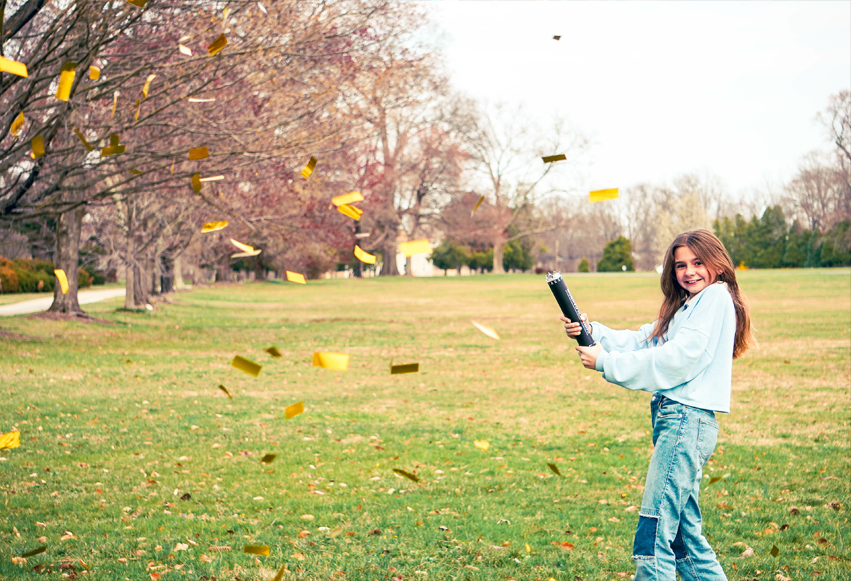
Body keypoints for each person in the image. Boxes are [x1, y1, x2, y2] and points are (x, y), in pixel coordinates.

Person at [561, 229, 753, 581]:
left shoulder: (714, 297)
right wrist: (593, 331)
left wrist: (606, 363)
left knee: (653, 534)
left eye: (698, 262)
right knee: (683, 538)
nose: (689, 271)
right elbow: (647, 340)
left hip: (685, 421)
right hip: (679, 422)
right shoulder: (689, 306)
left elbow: (678, 359)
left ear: (717, 263)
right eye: (681, 265)